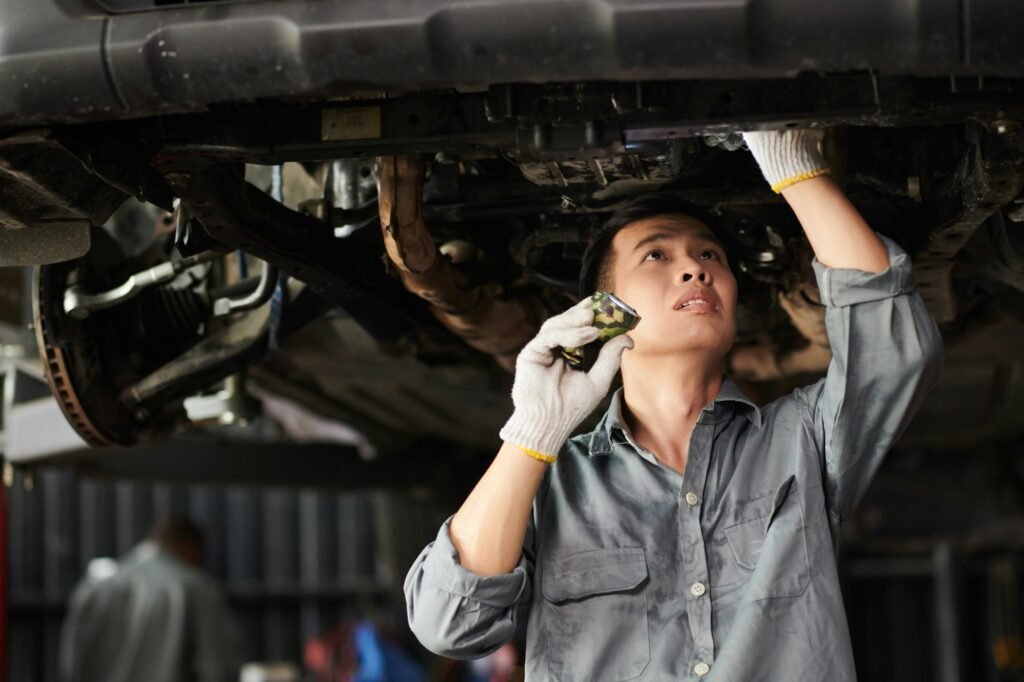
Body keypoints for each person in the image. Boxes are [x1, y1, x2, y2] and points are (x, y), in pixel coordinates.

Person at [404, 129, 944, 680]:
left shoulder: (802, 441)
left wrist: (793, 166)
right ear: (605, 311)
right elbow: (449, 623)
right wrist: (530, 435)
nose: (695, 268)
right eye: (657, 255)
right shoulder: (552, 487)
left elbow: (891, 348)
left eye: (709, 254)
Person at [59, 516, 236, 682]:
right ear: (191, 550)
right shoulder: (196, 588)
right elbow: (214, 669)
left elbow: (72, 663)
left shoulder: (95, 587)